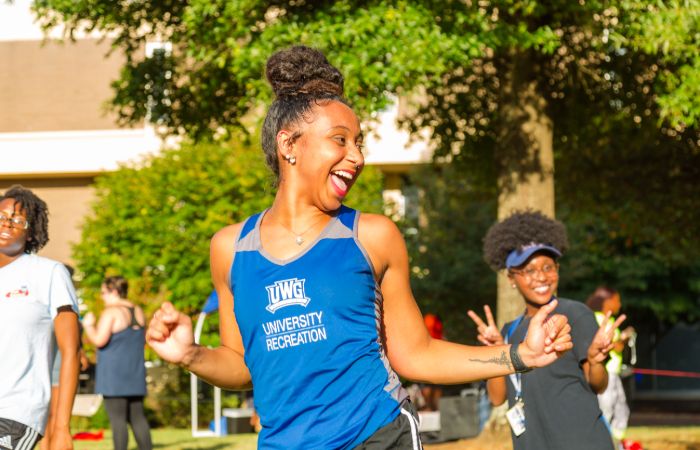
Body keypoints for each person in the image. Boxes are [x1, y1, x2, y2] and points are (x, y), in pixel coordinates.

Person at [146, 45, 574, 449]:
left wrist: (519, 354)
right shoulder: (230, 249)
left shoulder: (372, 236)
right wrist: (190, 354)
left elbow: (416, 355)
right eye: (340, 140)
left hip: (380, 434)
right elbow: (242, 366)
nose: (357, 157)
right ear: (288, 145)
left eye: (359, 142)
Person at [468, 211, 625, 450]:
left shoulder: (575, 314)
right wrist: (496, 350)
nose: (541, 276)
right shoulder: (509, 332)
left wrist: (595, 362)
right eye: (529, 270)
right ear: (512, 278)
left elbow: (598, 385)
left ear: (558, 269)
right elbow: (497, 398)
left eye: (548, 267)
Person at [0, 185, 80, 450]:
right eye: (1, 216)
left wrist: (61, 429)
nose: (7, 223)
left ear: (31, 230)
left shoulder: (50, 273)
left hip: (16, 412)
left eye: (18, 219)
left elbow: (71, 352)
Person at [82, 276, 152, 450]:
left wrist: (88, 325)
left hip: (114, 376)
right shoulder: (138, 311)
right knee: (138, 417)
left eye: (104, 292)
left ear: (114, 291)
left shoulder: (111, 313)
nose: (102, 296)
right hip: (135, 373)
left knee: (118, 421)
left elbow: (99, 340)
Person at [586, 286, 635, 445]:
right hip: (604, 374)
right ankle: (603, 443)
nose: (619, 304)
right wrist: (624, 338)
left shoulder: (609, 320)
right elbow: (612, 346)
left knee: (621, 408)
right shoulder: (599, 319)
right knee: (606, 411)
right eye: (617, 300)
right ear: (607, 301)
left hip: (613, 373)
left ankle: (616, 443)